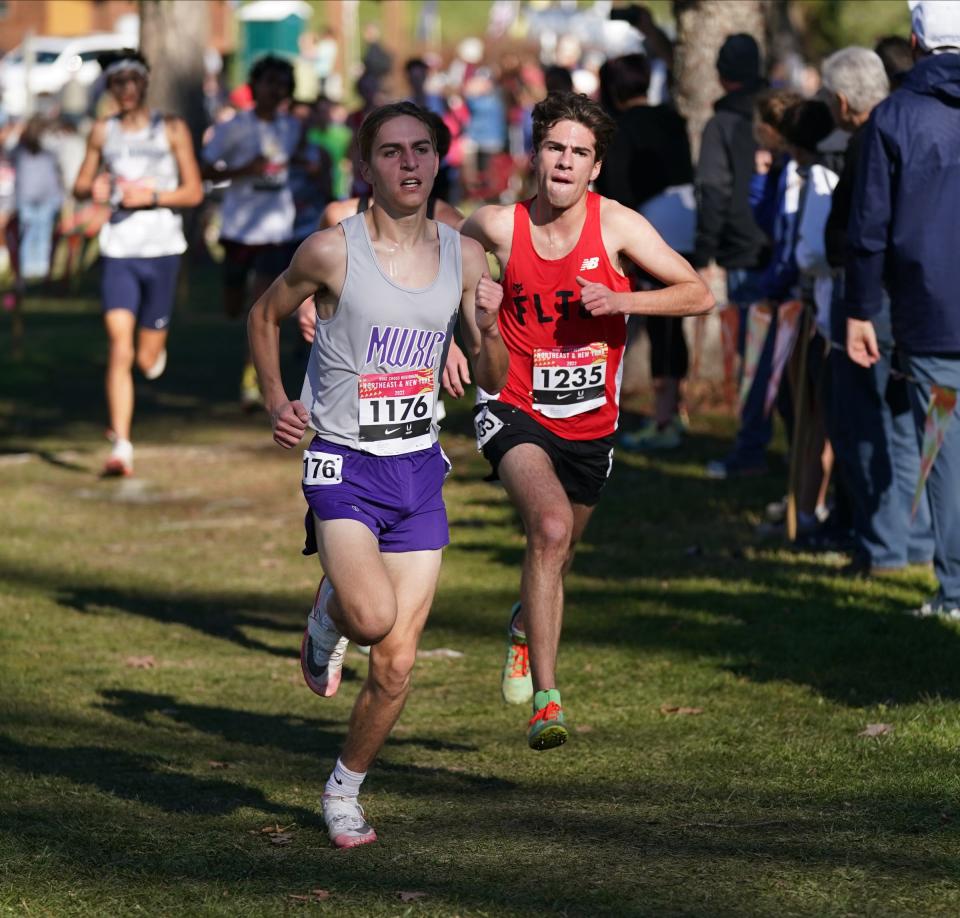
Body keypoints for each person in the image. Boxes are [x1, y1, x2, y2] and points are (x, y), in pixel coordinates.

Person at [247, 101, 508, 847]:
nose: (409, 164)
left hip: (418, 467)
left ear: (437, 160)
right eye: (391, 152)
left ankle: (344, 789)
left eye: (421, 150)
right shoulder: (332, 252)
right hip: (343, 463)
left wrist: (485, 322)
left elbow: (491, 371)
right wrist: (276, 398)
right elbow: (265, 316)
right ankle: (333, 608)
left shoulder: (463, 253)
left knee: (395, 665)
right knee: (372, 619)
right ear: (365, 167)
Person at [461, 91, 713, 749]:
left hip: (591, 424)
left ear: (596, 167)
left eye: (579, 152)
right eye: (554, 148)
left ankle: (523, 625)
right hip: (514, 406)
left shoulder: (619, 226)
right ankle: (548, 699)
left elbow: (697, 291)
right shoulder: (499, 225)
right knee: (546, 529)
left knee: (560, 551)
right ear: (536, 154)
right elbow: (455, 253)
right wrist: (474, 302)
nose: (565, 162)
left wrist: (622, 297)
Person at [845, 0, 960, 618]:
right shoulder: (897, 118)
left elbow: (869, 228)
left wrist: (860, 309)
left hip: (930, 310)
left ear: (916, 41)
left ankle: (957, 590)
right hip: (929, 310)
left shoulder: (894, 117)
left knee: (944, 451)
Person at [821, 45, 933, 575]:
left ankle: (886, 545)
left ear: (843, 101)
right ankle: (913, 539)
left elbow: (863, 228)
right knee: (904, 424)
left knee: (868, 425)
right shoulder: (907, 128)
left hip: (871, 298)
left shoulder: (872, 140)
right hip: (908, 294)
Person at [73, 51, 203, 476]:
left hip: (162, 249)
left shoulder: (171, 128)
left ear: (144, 84)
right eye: (117, 82)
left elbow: (194, 192)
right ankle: (122, 445)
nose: (125, 89)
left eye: (132, 81)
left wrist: (149, 197)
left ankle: (154, 355)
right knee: (118, 345)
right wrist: (94, 186)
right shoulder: (101, 131)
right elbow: (80, 183)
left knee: (146, 359)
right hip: (119, 251)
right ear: (109, 88)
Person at [594, 52, 696, 450]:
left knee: (661, 322)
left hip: (653, 221)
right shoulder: (671, 118)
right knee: (674, 320)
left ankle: (665, 415)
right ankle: (673, 408)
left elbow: (618, 190)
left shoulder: (620, 128)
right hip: (687, 217)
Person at [693, 34, 773, 479]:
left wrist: (705, 251)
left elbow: (714, 188)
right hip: (782, 245)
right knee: (786, 358)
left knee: (756, 358)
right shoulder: (779, 109)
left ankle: (751, 450)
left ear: (722, 75)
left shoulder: (721, 124)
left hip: (744, 250)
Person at [201, 55, 302, 408]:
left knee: (263, 307)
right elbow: (205, 168)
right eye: (269, 82)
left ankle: (252, 377)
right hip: (238, 228)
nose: (276, 90)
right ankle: (251, 364)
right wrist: (244, 170)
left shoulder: (291, 127)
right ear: (254, 86)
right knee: (234, 306)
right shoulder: (234, 127)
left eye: (282, 84)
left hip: (276, 230)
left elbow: (297, 162)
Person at [13, 116, 62, 282]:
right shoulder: (20, 150)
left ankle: (40, 272)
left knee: (41, 234)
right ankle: (28, 272)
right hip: (27, 199)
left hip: (46, 198)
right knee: (28, 235)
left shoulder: (49, 148)